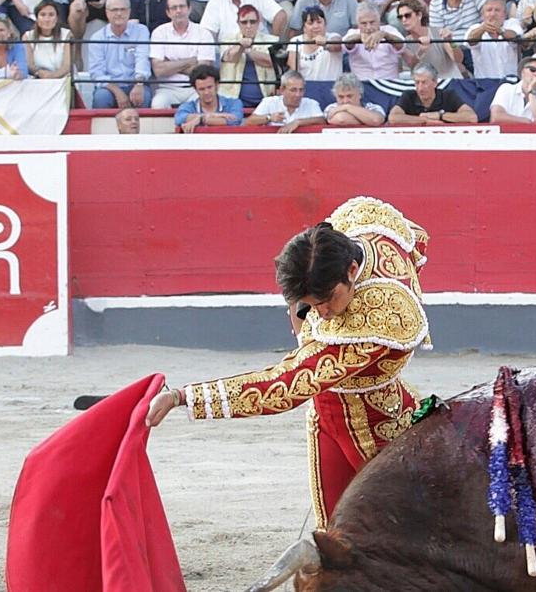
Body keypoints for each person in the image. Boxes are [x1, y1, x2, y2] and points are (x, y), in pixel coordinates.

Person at [145, 195, 432, 530]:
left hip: (378, 427)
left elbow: (284, 386)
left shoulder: (379, 317)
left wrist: (184, 396)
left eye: (326, 301)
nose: (321, 313)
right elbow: (419, 239)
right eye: (312, 303)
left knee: (392, 537)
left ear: (353, 271)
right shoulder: (366, 223)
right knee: (334, 537)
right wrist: (303, 308)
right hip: (327, 417)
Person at [148, 0, 214, 109]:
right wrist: (190, 61)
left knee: (204, 105)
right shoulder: (159, 32)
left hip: (196, 88)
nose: (178, 11)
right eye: (174, 8)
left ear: (189, 9)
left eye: (182, 6)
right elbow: (158, 70)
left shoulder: (203, 33)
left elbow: (203, 72)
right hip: (167, 89)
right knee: (157, 105)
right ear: (168, 13)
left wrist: (169, 64)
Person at [87, 0, 151, 109]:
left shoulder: (141, 31)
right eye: (114, 10)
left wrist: (139, 83)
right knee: (101, 97)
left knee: (144, 96)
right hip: (109, 87)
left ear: (129, 11)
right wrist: (117, 91)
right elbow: (97, 73)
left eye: (123, 9)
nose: (119, 13)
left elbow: (142, 59)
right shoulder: (97, 38)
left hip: (135, 83)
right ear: (107, 13)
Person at [220, 4, 277, 108]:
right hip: (233, 100)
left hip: (266, 98)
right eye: (244, 22)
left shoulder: (272, 40)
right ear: (238, 23)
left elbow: (271, 62)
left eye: (253, 22)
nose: (249, 26)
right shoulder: (227, 39)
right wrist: (241, 47)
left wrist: (248, 50)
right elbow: (230, 58)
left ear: (259, 22)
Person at [396, 0, 465, 78]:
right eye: (400, 17)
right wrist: (421, 51)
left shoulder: (438, 32)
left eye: (407, 15)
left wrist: (451, 41)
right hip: (425, 87)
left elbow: (458, 59)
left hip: (449, 81)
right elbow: (410, 69)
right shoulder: (405, 43)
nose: (404, 20)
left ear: (419, 15)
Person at [388, 63, 479, 124]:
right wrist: (425, 120)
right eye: (417, 82)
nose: (420, 88)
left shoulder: (448, 95)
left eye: (424, 82)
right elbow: (393, 118)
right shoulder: (409, 95)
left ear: (435, 82)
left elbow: (472, 117)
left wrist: (440, 115)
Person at [246, 70, 326, 132]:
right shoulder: (269, 102)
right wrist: (269, 117)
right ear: (282, 90)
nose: (298, 94)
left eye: (301, 90)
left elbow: (321, 120)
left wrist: (298, 122)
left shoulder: (311, 103)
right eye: (293, 90)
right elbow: (250, 121)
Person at [174, 64, 245, 132]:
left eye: (209, 87)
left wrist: (201, 120)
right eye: (202, 89)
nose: (206, 92)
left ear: (217, 85)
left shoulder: (234, 103)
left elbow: (235, 120)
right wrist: (212, 116)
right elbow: (179, 118)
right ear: (195, 89)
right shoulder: (187, 106)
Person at [343, 2, 405, 79]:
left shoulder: (389, 30)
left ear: (379, 20)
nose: (368, 27)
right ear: (358, 24)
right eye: (364, 23)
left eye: (372, 22)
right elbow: (346, 44)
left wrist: (385, 35)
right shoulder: (353, 33)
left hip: (389, 82)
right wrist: (360, 37)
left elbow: (402, 45)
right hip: (362, 84)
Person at [490, 52, 536, 122]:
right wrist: (526, 122)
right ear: (523, 72)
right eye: (532, 69)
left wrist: (532, 91)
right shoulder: (506, 88)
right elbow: (496, 117)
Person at [466, 0, 523, 78]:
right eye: (489, 10)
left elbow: (516, 37)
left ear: (504, 14)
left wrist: (500, 30)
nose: (493, 14)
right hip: (485, 84)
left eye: (497, 10)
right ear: (483, 14)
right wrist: (482, 29)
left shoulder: (512, 24)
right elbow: (470, 41)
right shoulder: (475, 28)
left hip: (510, 82)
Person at [288, 6, 344, 81]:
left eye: (319, 22)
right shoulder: (296, 41)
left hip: (332, 87)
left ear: (325, 24)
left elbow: (337, 46)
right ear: (304, 27)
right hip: (306, 87)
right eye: (310, 23)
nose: (315, 26)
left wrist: (325, 44)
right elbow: (294, 71)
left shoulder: (334, 36)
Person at [22, 0, 70, 79]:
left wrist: (53, 75)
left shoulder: (67, 34)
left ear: (57, 18)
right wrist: (40, 73)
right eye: (43, 15)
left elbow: (67, 65)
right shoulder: (27, 36)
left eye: (51, 15)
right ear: (37, 18)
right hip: (38, 79)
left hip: (62, 79)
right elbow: (29, 64)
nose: (47, 19)